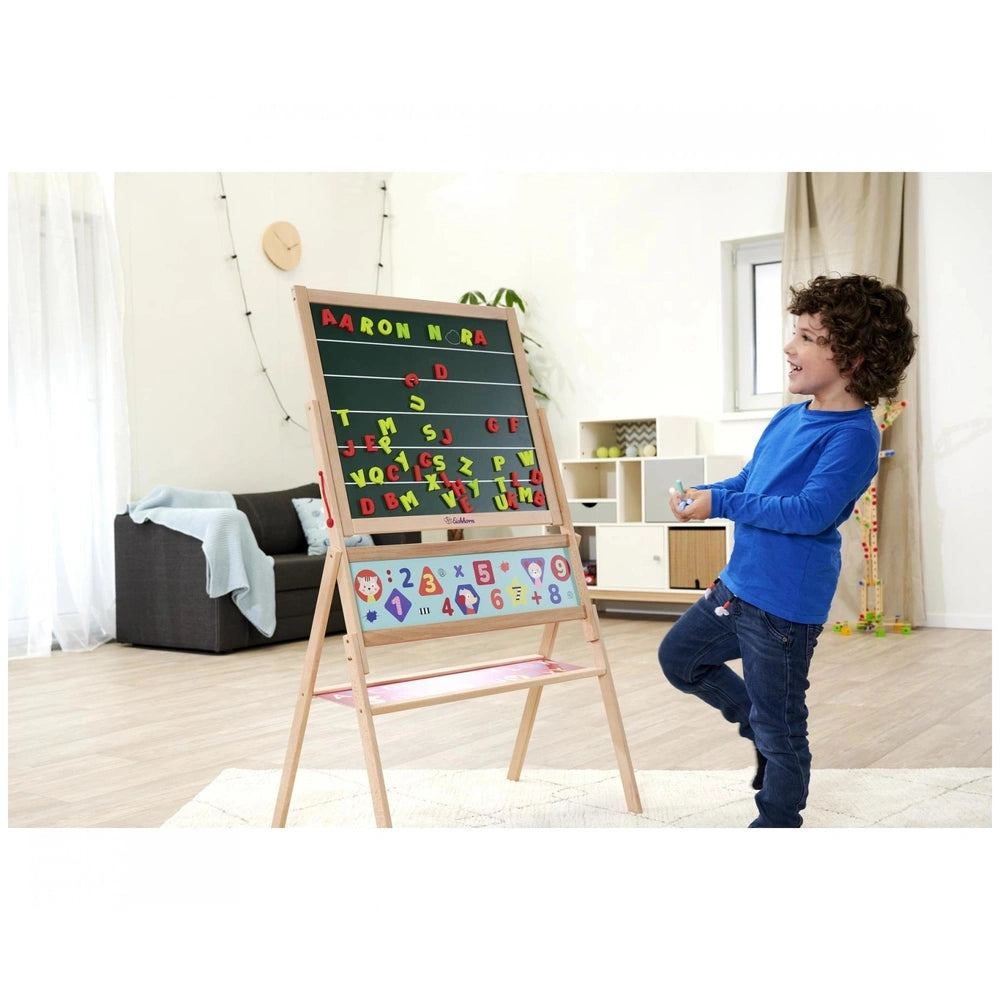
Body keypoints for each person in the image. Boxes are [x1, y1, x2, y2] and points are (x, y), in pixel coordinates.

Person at [658, 273, 916, 827]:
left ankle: (778, 821)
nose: (788, 347)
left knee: (784, 731)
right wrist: (710, 496)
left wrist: (723, 507)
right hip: (739, 585)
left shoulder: (853, 437)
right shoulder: (788, 417)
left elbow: (808, 513)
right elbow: (753, 481)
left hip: (783, 609)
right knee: (680, 660)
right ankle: (755, 720)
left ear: (848, 353)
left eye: (804, 337)